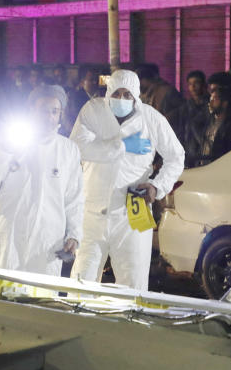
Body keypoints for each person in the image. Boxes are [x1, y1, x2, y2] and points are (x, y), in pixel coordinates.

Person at [69, 69, 185, 291]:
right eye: (116, 94)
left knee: (133, 282)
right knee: (82, 280)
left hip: (134, 211)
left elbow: (176, 156)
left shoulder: (150, 118)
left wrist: (157, 187)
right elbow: (77, 147)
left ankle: (128, 323)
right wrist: (120, 147)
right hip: (93, 212)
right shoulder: (93, 111)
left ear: (136, 96)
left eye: (127, 95)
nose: (121, 99)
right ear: (108, 92)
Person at [0, 84, 83, 278]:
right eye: (43, 110)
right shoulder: (4, 140)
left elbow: (74, 198)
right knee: (2, 297)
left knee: (40, 300)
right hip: (8, 237)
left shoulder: (68, 150)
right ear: (31, 110)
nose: (49, 117)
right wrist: (2, 151)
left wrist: (73, 234)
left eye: (54, 111)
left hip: (47, 242)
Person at [186, 85, 231, 167]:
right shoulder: (210, 121)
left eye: (214, 99)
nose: (210, 103)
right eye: (210, 99)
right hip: (203, 168)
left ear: (225, 103)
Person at [136, 63, 183, 128]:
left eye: (140, 80)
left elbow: (182, 111)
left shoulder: (166, 92)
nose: (138, 84)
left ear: (149, 79)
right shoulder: (142, 95)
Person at [179, 70, 210, 147]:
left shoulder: (211, 104)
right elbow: (181, 131)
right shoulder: (185, 106)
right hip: (189, 149)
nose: (193, 87)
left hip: (207, 147)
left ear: (203, 85)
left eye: (196, 83)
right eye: (190, 84)